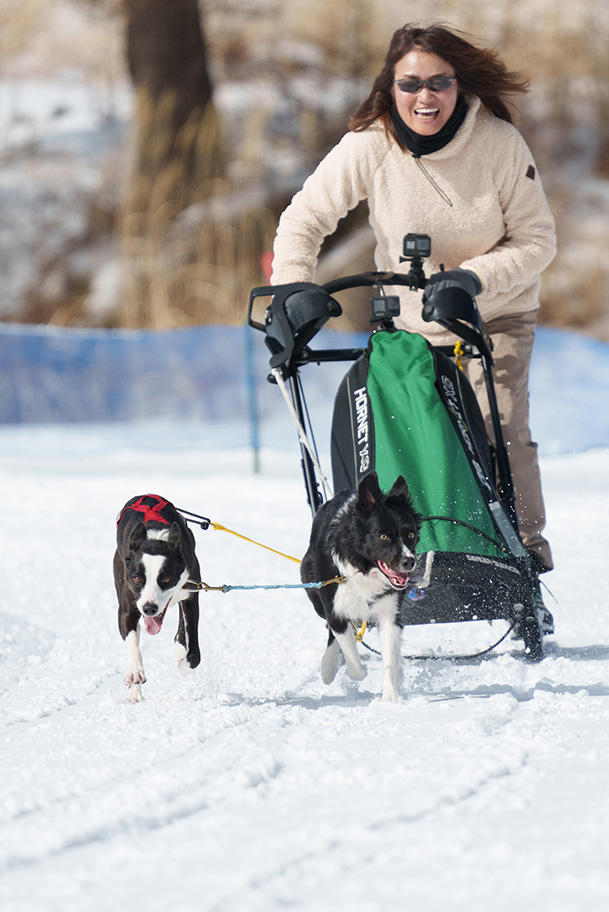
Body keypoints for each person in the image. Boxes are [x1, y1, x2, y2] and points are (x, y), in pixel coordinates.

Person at [271, 23, 556, 596]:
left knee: (497, 430)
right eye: (411, 84)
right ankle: (411, 554)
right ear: (391, 88)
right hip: (409, 322)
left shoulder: (498, 143)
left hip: (490, 316)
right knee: (404, 438)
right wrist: (294, 286)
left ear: (458, 86)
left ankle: (521, 557)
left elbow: (536, 241)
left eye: (439, 83)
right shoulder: (371, 144)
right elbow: (305, 219)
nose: (425, 97)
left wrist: (471, 278)